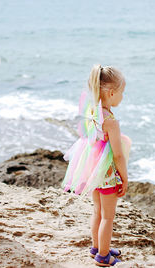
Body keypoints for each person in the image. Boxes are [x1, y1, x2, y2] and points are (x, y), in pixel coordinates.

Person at [61, 64, 131, 266]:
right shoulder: (111, 121)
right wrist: (124, 177)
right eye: (122, 93)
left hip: (93, 169)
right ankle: (103, 255)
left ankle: (96, 247)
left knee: (97, 211)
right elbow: (118, 155)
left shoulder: (93, 110)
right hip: (107, 173)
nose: (122, 97)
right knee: (108, 217)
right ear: (111, 92)